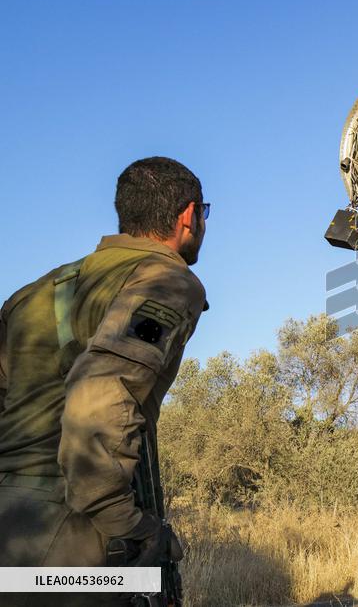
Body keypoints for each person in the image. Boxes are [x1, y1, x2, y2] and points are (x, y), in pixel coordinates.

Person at [0, 157, 209, 605]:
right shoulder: (165, 282)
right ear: (188, 216)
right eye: (205, 214)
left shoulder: (30, 295)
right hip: (68, 534)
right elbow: (103, 395)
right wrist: (125, 522)